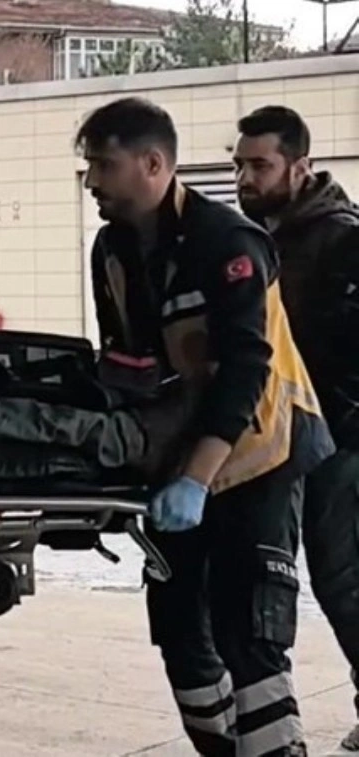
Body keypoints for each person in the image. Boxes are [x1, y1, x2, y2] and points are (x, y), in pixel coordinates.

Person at [78, 97, 333, 757]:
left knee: (249, 632)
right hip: (178, 453)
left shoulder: (228, 242)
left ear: (153, 164)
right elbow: (127, 362)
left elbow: (247, 370)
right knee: (179, 632)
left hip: (258, 451)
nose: (92, 181)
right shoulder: (112, 249)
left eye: (104, 165)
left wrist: (197, 476)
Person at [234, 105, 359, 752]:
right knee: (277, 578)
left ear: (301, 166)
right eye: (239, 165)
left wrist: (344, 418)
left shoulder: (343, 239)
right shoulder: (254, 238)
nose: (244, 178)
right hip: (275, 439)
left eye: (260, 165)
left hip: (337, 438)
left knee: (345, 578)